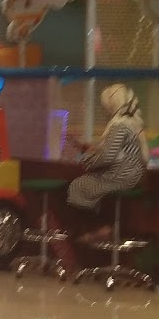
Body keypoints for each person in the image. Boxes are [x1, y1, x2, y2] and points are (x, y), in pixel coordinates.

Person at [56, 84, 150, 265]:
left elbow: (107, 156)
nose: (106, 110)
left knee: (73, 188)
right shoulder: (132, 122)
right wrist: (82, 147)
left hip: (124, 176)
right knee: (81, 187)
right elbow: (109, 152)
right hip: (132, 176)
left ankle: (99, 229)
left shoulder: (120, 124)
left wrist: (86, 160)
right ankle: (98, 229)